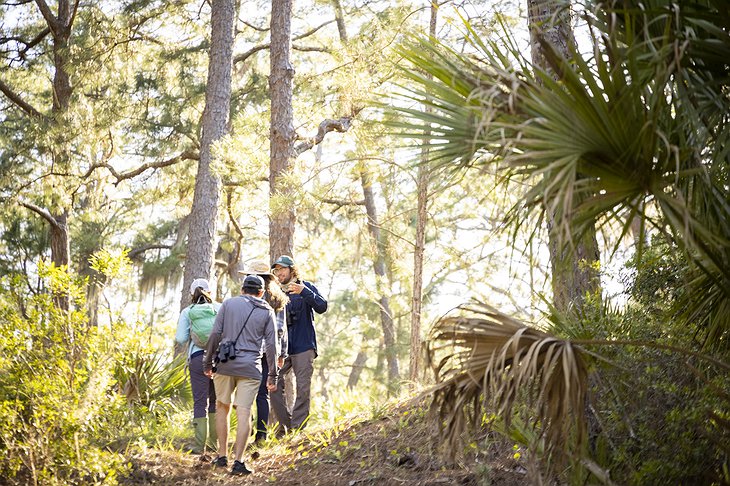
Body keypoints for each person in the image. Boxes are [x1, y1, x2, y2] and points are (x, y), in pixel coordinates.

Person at [202, 274, 279, 476]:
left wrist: (207, 361)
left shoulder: (228, 304)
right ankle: (238, 461)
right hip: (251, 368)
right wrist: (273, 375)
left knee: (222, 407)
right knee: (244, 411)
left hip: (225, 364)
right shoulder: (267, 311)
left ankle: (221, 456)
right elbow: (271, 345)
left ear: (242, 289)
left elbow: (215, 334)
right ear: (261, 293)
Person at [269, 255, 328, 433]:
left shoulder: (306, 287)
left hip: (304, 346)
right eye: (276, 270)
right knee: (273, 384)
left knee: (303, 388)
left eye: (282, 269)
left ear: (291, 269)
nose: (279, 274)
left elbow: (322, 306)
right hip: (282, 350)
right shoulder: (276, 292)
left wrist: (304, 292)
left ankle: (298, 428)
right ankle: (285, 425)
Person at [239, 260, 289, 443]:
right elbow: (282, 329)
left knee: (246, 391)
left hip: (250, 350)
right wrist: (281, 353)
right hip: (270, 351)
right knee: (262, 394)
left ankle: (248, 427)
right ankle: (261, 434)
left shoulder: (248, 297)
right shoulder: (278, 298)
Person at [175, 278, 219, 458]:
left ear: (191, 293)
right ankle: (215, 444)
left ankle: (200, 446)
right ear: (210, 291)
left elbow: (180, 338)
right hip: (219, 358)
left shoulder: (188, 311)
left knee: (201, 401)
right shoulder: (219, 307)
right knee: (216, 401)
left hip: (197, 358)